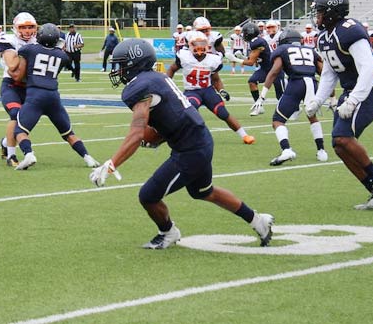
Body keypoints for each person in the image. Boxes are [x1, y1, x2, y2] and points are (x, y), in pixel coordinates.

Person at [91, 38, 274, 249]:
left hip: (191, 149)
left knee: (148, 196)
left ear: (135, 63)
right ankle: (258, 221)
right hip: (199, 139)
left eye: (122, 64)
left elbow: (137, 130)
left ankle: (168, 232)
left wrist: (112, 163)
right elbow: (171, 114)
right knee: (204, 191)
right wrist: (159, 135)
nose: (119, 70)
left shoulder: (141, 86)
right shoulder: (155, 78)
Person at [305, 0, 373, 210]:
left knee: (343, 138)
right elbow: (329, 73)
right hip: (351, 91)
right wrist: (317, 100)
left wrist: (353, 100)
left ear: (333, 12)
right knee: (338, 144)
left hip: (370, 89)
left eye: (321, 12)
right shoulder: (324, 38)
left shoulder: (349, 30)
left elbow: (369, 68)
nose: (317, 16)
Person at [10, 23, 100, 170]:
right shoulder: (62, 56)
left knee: (20, 131)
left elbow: (20, 76)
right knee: (68, 133)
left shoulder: (28, 49)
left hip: (35, 95)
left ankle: (28, 154)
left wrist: (12, 73)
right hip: (53, 96)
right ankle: (88, 158)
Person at [251, 30, 328, 165]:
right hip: (312, 82)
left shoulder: (283, 49)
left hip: (296, 83)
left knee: (278, 120)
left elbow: (274, 72)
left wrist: (261, 97)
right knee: (312, 116)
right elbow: (324, 73)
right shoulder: (310, 50)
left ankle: (286, 150)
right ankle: (321, 151)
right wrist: (332, 97)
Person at [167, 33, 255, 145]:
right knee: (190, 109)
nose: (199, 47)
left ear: (207, 45)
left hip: (207, 90)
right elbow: (171, 69)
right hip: (192, 91)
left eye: (202, 44)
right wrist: (167, 84)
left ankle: (244, 135)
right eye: (196, 44)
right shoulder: (184, 56)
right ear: (190, 45)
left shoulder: (213, 59)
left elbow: (216, 79)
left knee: (223, 113)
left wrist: (221, 90)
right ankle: (188, 136)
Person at [0, 12, 38, 167]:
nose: (27, 30)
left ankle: (6, 142)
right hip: (11, 85)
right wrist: (28, 52)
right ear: (15, 28)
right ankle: (11, 156)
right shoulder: (8, 39)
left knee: (25, 122)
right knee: (15, 114)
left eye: (30, 27)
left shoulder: (39, 40)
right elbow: (12, 66)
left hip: (30, 87)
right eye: (23, 27)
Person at [229, 22, 285, 116]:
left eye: (245, 32)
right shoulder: (255, 41)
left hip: (275, 69)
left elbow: (251, 63)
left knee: (280, 95)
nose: (243, 35)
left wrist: (235, 59)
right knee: (252, 81)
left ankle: (294, 109)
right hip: (264, 68)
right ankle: (259, 107)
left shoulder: (257, 42)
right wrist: (242, 57)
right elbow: (254, 60)